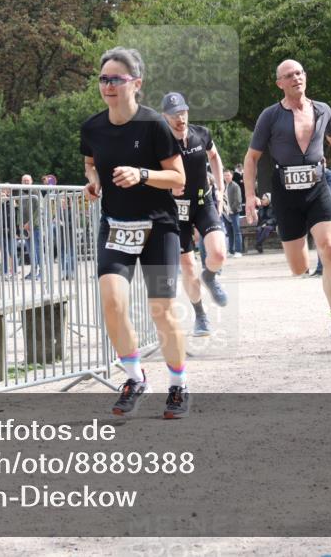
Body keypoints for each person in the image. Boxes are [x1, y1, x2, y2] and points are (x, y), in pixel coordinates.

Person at [80, 46, 190, 418]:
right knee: (111, 302)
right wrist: (93, 182)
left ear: (136, 84)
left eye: (116, 79)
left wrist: (142, 174)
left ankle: (178, 385)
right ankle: (134, 377)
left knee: (162, 310)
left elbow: (178, 178)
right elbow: (90, 163)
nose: (108, 85)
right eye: (103, 79)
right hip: (116, 227)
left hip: (158, 228)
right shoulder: (92, 127)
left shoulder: (153, 125)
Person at [244, 59, 331, 345]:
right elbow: (252, 158)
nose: (295, 78)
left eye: (299, 73)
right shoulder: (270, 116)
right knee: (298, 267)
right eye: (288, 75)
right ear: (279, 83)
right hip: (286, 194)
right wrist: (249, 197)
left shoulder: (322, 110)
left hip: (318, 187)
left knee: (329, 248)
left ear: (305, 76)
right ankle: (301, 257)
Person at [159, 92, 229, 335]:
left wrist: (220, 189)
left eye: (183, 112)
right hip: (175, 210)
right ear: (164, 117)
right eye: (174, 115)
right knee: (187, 265)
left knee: (219, 253)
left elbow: (214, 156)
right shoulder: (159, 142)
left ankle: (209, 276)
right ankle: (200, 316)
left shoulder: (201, 133)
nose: (180, 118)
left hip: (202, 201)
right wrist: (167, 186)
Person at [18, 174, 43, 280]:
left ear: (32, 181)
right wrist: (20, 225)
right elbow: (20, 210)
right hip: (25, 227)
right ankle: (33, 271)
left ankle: (41, 272)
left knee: (38, 249)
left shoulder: (36, 191)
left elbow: (39, 209)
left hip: (35, 226)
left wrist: (30, 223)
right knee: (30, 250)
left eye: (27, 180)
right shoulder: (21, 193)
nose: (26, 182)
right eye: (24, 181)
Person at [222, 170, 243, 257]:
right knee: (229, 232)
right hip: (225, 212)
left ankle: (238, 251)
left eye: (228, 175)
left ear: (232, 176)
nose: (226, 177)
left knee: (237, 231)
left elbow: (238, 200)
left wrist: (232, 210)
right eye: (225, 175)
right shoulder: (224, 186)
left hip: (233, 212)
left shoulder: (235, 186)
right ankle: (231, 251)